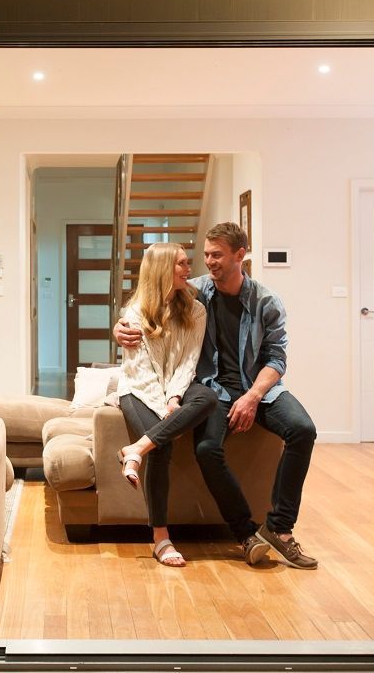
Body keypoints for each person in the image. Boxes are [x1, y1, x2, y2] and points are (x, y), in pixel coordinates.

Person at [114, 222, 319, 570]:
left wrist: (253, 396)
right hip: (214, 389)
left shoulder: (267, 302)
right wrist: (119, 326)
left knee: (303, 430)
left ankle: (280, 530)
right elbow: (153, 296)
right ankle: (245, 533)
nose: (208, 262)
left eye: (217, 255)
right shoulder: (196, 292)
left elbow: (277, 359)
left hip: (260, 389)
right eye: (206, 254)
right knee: (207, 449)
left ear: (240, 256)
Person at [114, 242, 218, 568]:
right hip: (137, 391)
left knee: (209, 398)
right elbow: (141, 373)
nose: (190, 269)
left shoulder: (196, 310)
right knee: (162, 448)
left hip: (176, 388)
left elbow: (188, 362)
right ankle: (161, 539)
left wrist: (175, 397)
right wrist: (165, 409)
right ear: (162, 269)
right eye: (182, 264)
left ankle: (134, 450)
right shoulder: (134, 314)